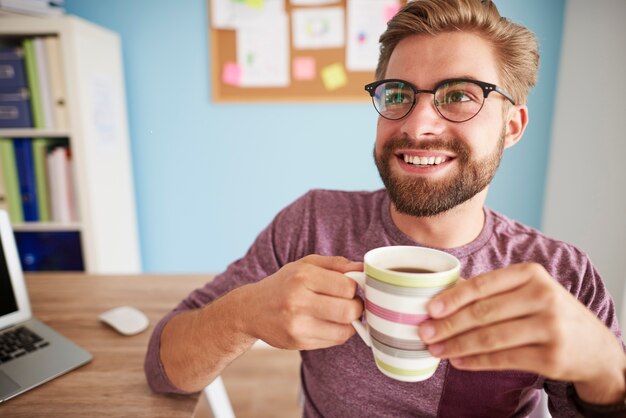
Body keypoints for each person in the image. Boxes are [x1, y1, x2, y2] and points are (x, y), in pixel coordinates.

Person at [145, 0, 626, 416]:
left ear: (512, 126)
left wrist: (605, 369)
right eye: (397, 94)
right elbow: (164, 368)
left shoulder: (561, 276)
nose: (417, 124)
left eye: (458, 95)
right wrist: (241, 315)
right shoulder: (312, 224)